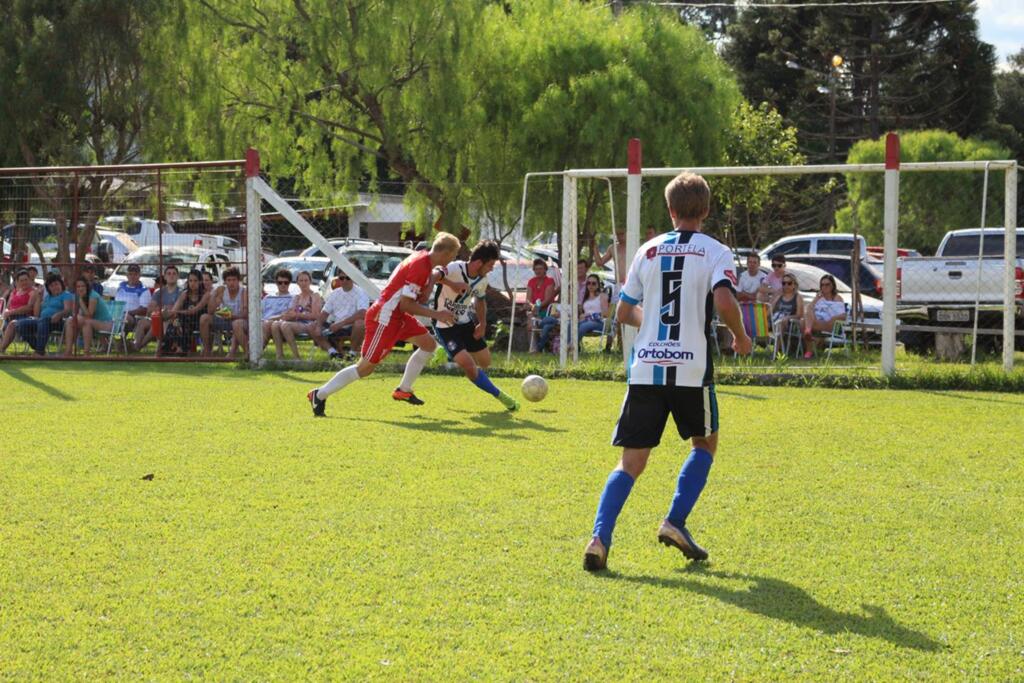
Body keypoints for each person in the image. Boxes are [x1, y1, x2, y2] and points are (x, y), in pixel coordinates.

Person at [583, 171, 752, 572]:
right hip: (692, 369)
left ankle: (599, 538)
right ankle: (675, 521)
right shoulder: (715, 251)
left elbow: (623, 312)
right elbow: (725, 298)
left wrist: (655, 327)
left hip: (646, 369)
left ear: (670, 210)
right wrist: (741, 336)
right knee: (704, 444)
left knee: (630, 463)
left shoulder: (649, 250)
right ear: (706, 210)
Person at [307, 232, 460, 417]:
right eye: (453, 256)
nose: (452, 260)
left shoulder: (424, 260)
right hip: (385, 318)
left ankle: (404, 389)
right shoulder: (420, 265)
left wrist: (442, 285)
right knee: (364, 368)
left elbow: (423, 287)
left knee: (428, 345)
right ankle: (319, 394)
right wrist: (437, 314)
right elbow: (406, 304)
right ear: (445, 253)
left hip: (398, 316)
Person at [430, 240, 519, 411]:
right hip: (444, 324)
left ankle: (448, 353)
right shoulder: (456, 268)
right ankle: (501, 396)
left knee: (485, 362)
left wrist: (482, 324)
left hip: (465, 322)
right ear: (479, 262)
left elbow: (479, 301)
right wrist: (451, 284)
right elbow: (435, 274)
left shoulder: (481, 280)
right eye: (491, 264)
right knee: (470, 367)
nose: (492, 268)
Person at [311, 271, 368, 360]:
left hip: (351, 327)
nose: (344, 280)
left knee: (360, 323)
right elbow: (324, 313)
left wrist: (341, 324)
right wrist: (318, 326)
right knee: (313, 326)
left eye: (348, 278)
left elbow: (363, 313)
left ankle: (352, 354)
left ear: (352, 279)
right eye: (342, 278)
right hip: (335, 325)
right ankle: (333, 352)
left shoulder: (361, 293)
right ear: (338, 279)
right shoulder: (334, 293)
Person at [15, 273, 73, 355]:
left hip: (58, 321)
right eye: (51, 286)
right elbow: (37, 313)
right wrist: (39, 297)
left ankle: (39, 352)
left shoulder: (66, 295)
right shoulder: (48, 297)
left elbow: (68, 310)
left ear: (61, 284)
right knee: (20, 324)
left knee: (43, 321)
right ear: (48, 288)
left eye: (56, 284)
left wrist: (59, 314)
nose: (55, 287)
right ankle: (38, 348)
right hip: (42, 321)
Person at [271, 270, 322, 360]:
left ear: (310, 281)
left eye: (306, 280)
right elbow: (292, 312)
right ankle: (279, 356)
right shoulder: (297, 297)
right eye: (301, 281)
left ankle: (296, 357)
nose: (303, 283)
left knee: (285, 325)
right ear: (297, 283)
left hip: (309, 324)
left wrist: (298, 315)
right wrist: (286, 315)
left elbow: (316, 315)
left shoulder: (315, 296)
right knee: (275, 324)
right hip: (296, 322)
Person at [201, 267, 248, 358]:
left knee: (236, 324)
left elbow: (245, 314)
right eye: (228, 280)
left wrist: (232, 316)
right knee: (204, 318)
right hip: (224, 319)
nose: (231, 283)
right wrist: (214, 295)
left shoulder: (244, 291)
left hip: (239, 321)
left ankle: (248, 353)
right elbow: (210, 311)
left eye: (234, 280)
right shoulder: (222, 291)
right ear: (225, 282)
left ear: (238, 280)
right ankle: (207, 351)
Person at [133, 265, 180, 352]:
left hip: (172, 322)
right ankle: (136, 344)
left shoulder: (180, 292)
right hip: (157, 318)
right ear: (165, 276)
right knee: (142, 322)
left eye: (174, 274)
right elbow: (150, 309)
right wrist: (164, 309)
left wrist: (160, 309)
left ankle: (137, 347)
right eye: (169, 273)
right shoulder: (158, 292)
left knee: (158, 322)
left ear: (177, 276)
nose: (171, 275)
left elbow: (174, 310)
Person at [63, 276, 113, 356]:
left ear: (87, 286)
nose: (80, 288)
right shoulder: (78, 296)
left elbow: (89, 315)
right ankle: (68, 351)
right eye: (78, 287)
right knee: (70, 321)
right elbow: (74, 313)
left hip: (107, 324)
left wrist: (80, 300)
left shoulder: (93, 296)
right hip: (91, 322)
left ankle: (87, 353)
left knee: (86, 322)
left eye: (83, 286)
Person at [802, 273, 846, 359]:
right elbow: (809, 309)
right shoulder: (819, 298)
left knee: (804, 323)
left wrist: (833, 318)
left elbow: (843, 316)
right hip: (817, 323)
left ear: (833, 285)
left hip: (829, 325)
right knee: (804, 318)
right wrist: (816, 300)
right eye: (822, 285)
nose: (824, 287)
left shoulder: (837, 298)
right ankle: (809, 342)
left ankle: (808, 349)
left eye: (827, 284)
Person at [168, 269, 209, 354]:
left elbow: (194, 311)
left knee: (182, 319)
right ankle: (172, 346)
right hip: (184, 321)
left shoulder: (205, 294)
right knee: (175, 321)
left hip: (199, 322)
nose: (192, 283)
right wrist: (168, 312)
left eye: (195, 281)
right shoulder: (185, 294)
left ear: (200, 281)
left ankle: (180, 348)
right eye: (190, 281)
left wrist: (178, 312)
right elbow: (174, 310)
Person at [0, 269, 38, 353]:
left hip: (25, 317)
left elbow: (29, 307)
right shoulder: (15, 292)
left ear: (30, 280)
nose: (24, 282)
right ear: (17, 282)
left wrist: (10, 312)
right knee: (5, 324)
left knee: (12, 325)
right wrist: (6, 312)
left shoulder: (33, 292)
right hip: (9, 317)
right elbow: (8, 306)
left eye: (26, 280)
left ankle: (1, 350)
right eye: (21, 280)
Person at [526, 259, 557, 353]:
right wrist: (532, 306)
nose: (538, 271)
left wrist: (536, 306)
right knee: (530, 319)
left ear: (545, 269)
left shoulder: (549, 281)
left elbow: (547, 299)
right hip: (534, 309)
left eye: (540, 268)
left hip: (547, 310)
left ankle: (535, 348)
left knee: (532, 319)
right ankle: (533, 348)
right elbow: (528, 299)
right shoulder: (531, 281)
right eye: (536, 269)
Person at [770, 273, 804, 354]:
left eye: (789, 283)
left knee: (781, 323)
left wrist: (787, 318)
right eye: (783, 283)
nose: (786, 285)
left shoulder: (797, 297)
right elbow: (769, 311)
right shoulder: (779, 296)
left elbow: (800, 315)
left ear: (794, 285)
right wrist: (775, 298)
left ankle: (776, 352)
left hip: (790, 323)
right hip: (774, 320)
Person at [261, 269, 295, 353]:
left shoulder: (292, 299)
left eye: (286, 282)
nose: (283, 285)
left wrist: (269, 319)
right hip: (263, 323)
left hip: (279, 325)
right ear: (276, 283)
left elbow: (287, 316)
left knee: (267, 324)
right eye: (280, 282)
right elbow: (259, 312)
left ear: (289, 283)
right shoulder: (268, 298)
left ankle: (255, 354)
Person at [115, 264, 151, 333]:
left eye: (135, 274)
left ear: (139, 275)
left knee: (125, 318)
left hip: (134, 318)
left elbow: (144, 310)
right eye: (130, 274)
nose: (132, 277)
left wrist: (127, 313)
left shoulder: (144, 290)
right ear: (127, 275)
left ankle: (121, 339)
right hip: (118, 314)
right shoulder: (121, 287)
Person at [578, 274, 610, 340]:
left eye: (593, 283)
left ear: (598, 285)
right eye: (588, 283)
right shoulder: (585, 297)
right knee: (571, 325)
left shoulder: (602, 296)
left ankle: (572, 346)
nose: (590, 285)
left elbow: (605, 314)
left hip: (599, 322)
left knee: (583, 326)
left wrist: (589, 315)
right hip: (585, 321)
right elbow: (581, 313)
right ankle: (569, 346)